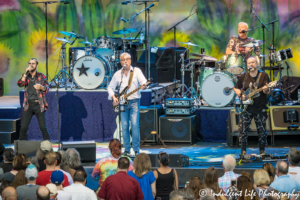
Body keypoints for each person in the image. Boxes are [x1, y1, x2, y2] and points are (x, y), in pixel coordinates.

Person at [107, 52, 147, 156]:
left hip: (134, 101)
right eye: (123, 59)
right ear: (120, 62)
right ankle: (127, 149)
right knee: (124, 126)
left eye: (127, 59)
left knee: (134, 125)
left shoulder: (136, 71)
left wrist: (143, 85)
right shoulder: (118, 74)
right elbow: (110, 87)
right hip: (122, 103)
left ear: (130, 60)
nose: (125, 61)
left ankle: (136, 149)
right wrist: (113, 97)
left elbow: (144, 82)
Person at [233, 56, 270, 155]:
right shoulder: (243, 77)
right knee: (243, 131)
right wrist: (241, 95)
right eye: (249, 63)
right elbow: (236, 88)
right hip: (247, 108)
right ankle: (243, 152)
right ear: (247, 65)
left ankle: (262, 151)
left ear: (257, 64)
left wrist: (266, 89)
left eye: (253, 62)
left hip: (260, 107)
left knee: (262, 131)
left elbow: (267, 91)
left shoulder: (263, 76)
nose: (251, 64)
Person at [17, 58, 50, 140]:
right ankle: (20, 149)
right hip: (28, 105)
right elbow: (20, 84)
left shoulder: (41, 76)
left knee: (43, 128)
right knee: (23, 128)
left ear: (37, 65)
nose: (31, 65)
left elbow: (47, 87)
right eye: (29, 63)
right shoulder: (26, 76)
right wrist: (24, 74)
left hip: (39, 104)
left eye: (33, 63)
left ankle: (48, 147)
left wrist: (41, 87)